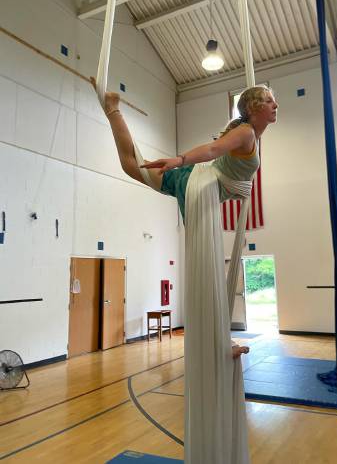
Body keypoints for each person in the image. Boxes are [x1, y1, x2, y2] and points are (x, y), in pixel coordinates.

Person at [93, 79, 278, 359]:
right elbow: (213, 150)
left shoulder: (251, 134)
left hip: (199, 183)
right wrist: (179, 160)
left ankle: (113, 109)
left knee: (133, 166)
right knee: (209, 269)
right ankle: (221, 343)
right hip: (195, 183)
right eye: (268, 101)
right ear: (253, 108)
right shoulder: (246, 133)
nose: (275, 105)